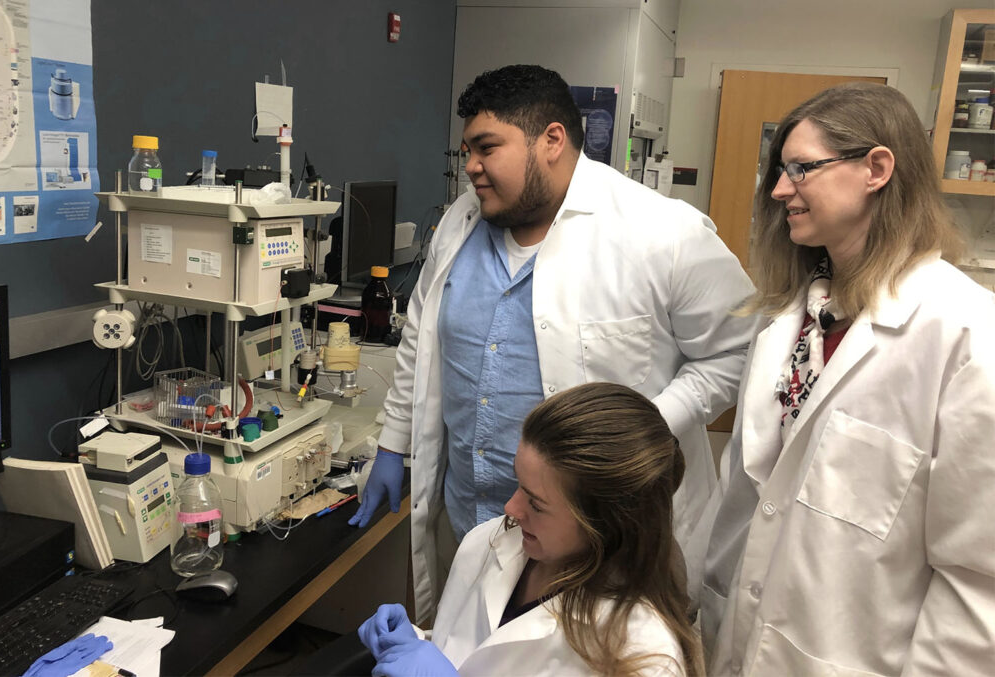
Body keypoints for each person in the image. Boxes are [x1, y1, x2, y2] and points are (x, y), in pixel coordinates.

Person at [349, 64, 756, 622]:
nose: (470, 166)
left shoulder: (661, 232)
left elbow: (739, 349)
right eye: (466, 149)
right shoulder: (459, 223)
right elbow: (420, 337)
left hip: (600, 539)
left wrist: (637, 432)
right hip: (476, 527)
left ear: (552, 141)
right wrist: (394, 444)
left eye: (486, 147)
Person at [701, 82, 995, 675]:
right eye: (780, 172)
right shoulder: (791, 322)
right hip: (738, 639)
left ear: (876, 169)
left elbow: (978, 583)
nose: (781, 190)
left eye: (801, 169)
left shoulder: (966, 338)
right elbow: (750, 504)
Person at [359, 383, 703, 677]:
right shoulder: (492, 542)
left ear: (607, 523)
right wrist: (413, 643)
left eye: (536, 503)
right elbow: (474, 654)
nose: (511, 508)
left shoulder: (644, 655)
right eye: (518, 483)